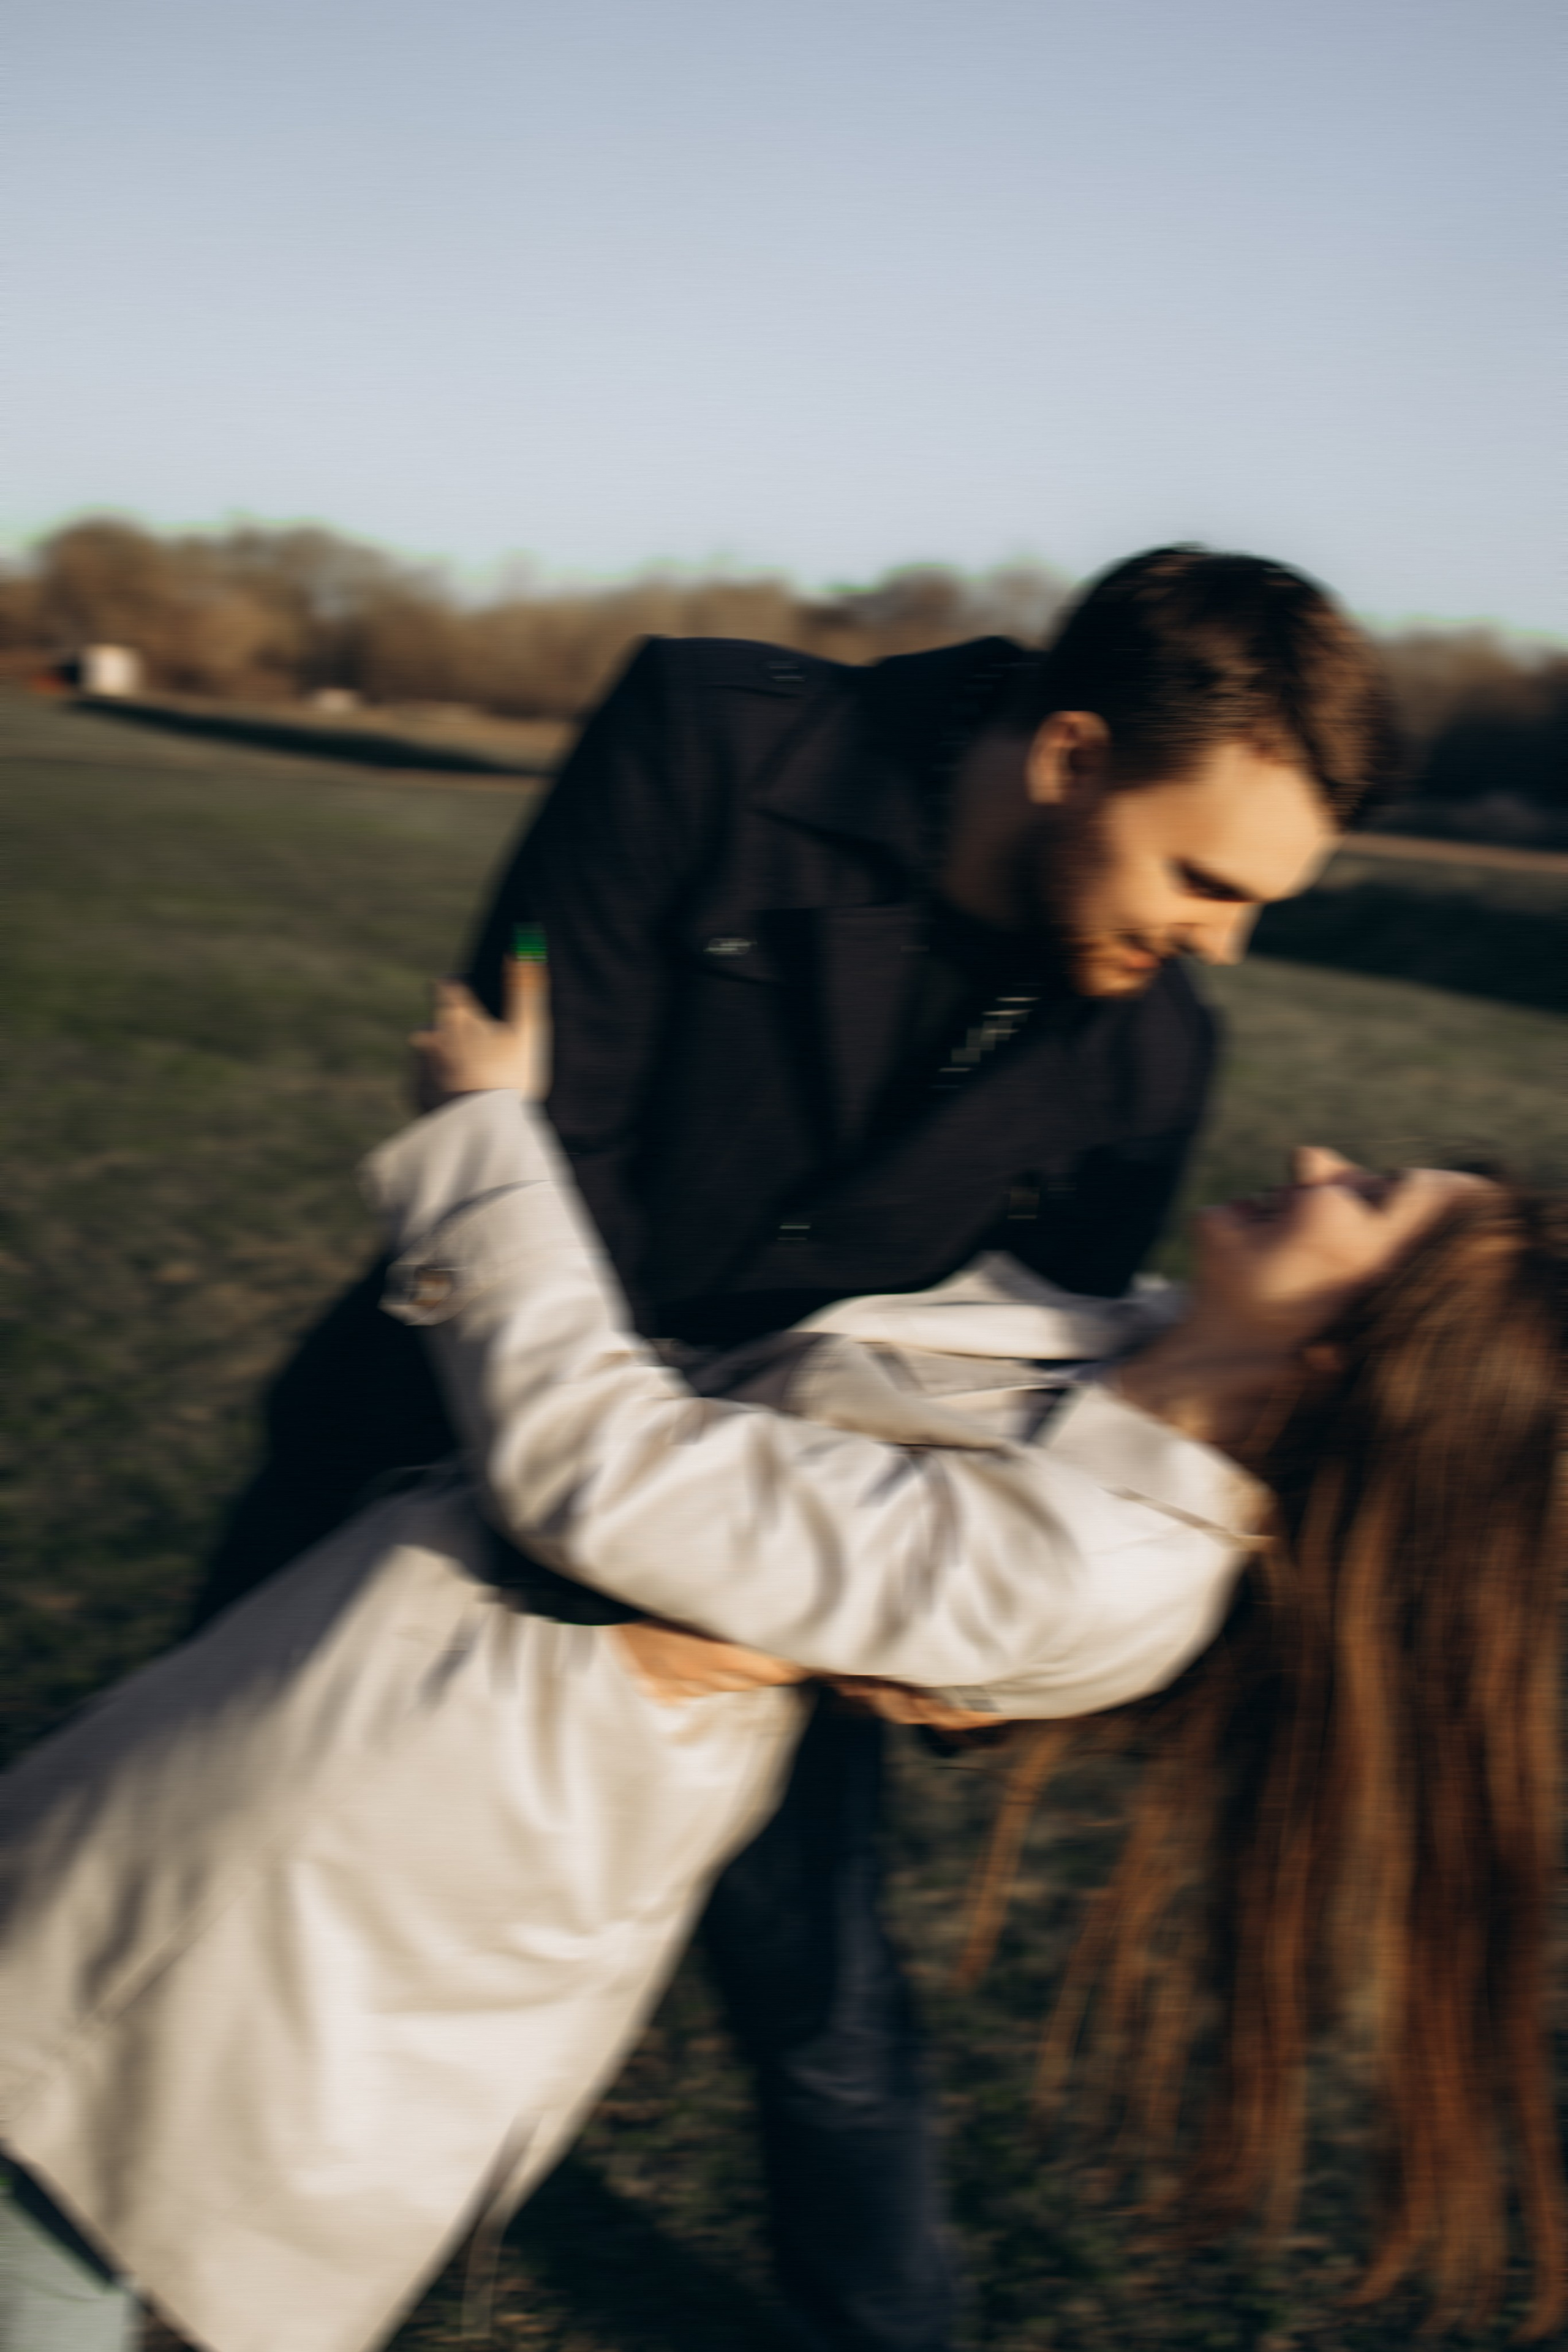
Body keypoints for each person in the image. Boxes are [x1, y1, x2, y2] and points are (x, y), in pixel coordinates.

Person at [191, 546, 1396, 2352]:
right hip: (422, 1455)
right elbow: (523, 1110)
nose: (1221, 939)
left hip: (784, 1581)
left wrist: (985, 1665)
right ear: (1069, 754)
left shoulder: (1155, 1056)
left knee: (827, 2017)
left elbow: (1023, 1398)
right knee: (201, 1855)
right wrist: (632, 1488)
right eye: (1203, 876)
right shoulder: (706, 735)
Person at [2, 970, 1562, 2352]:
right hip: (353, 1726)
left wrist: (484, 1137)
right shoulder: (1130, 1355)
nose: (1308, 1158)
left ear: (1345, 1364)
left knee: (69, 2192)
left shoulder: (1096, 1558)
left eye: (1358, 1193)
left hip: (384, 1839)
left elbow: (599, 1466)